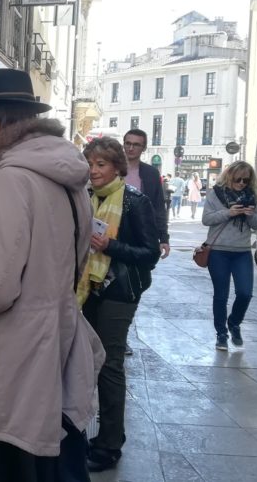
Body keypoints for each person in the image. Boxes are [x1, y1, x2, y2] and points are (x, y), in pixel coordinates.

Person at [0, 68, 104, 482]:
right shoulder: (68, 178)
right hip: (52, 345)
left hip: (7, 367)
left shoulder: (10, 180)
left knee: (0, 465)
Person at [78, 137, 161, 472]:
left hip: (119, 292)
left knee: (110, 364)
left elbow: (150, 255)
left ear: (116, 167)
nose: (94, 170)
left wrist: (110, 245)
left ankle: (110, 445)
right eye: (90, 164)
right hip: (88, 288)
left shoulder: (134, 202)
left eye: (101, 164)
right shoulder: (85, 198)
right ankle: (92, 436)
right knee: (89, 362)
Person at [201, 162, 257, 351]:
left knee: (245, 293)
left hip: (242, 251)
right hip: (218, 251)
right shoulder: (216, 194)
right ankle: (221, 334)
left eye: (246, 180)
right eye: (238, 179)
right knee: (221, 295)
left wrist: (250, 214)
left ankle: (234, 322)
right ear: (230, 177)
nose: (242, 183)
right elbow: (206, 219)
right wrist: (229, 212)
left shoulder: (251, 196)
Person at [122, 130, 170, 259]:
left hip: (141, 233)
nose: (131, 148)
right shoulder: (112, 169)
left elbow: (158, 206)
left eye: (136, 145)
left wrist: (163, 237)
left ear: (143, 148)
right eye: (128, 143)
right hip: (113, 232)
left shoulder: (151, 173)